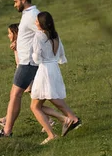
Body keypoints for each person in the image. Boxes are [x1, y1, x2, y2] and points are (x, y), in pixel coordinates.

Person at [0, 0, 41, 139]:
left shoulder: (32, 15)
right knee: (39, 97)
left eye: (16, 1)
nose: (14, 5)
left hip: (28, 63)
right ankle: (70, 119)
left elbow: (43, 33)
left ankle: (6, 131)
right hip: (26, 61)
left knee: (16, 95)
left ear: (23, 0)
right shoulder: (28, 14)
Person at [0, 23, 64, 131]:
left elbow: (21, 62)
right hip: (28, 74)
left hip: (28, 75)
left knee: (34, 104)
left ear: (16, 34)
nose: (8, 36)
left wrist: (16, 49)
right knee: (35, 103)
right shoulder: (19, 44)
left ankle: (62, 119)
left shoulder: (22, 44)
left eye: (10, 33)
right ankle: (60, 119)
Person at [30, 11, 82, 144]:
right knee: (40, 104)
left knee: (35, 106)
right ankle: (67, 119)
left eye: (37, 21)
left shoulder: (39, 36)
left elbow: (36, 57)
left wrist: (35, 58)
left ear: (41, 23)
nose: (35, 23)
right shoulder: (55, 35)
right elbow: (61, 53)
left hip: (45, 70)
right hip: (54, 69)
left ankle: (52, 134)